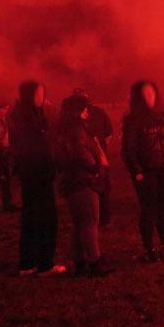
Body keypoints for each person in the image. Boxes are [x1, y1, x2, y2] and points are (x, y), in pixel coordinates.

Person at [122, 80, 164, 261]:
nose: (150, 96)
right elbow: (129, 149)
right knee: (148, 210)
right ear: (139, 97)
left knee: (163, 209)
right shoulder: (133, 120)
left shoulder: (162, 116)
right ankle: (149, 249)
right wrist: (137, 171)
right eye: (146, 93)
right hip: (147, 173)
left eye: (152, 92)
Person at [8, 81, 64, 276]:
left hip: (33, 173)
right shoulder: (24, 116)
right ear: (30, 95)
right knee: (45, 218)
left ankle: (28, 263)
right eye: (39, 93)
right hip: (36, 173)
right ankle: (44, 264)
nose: (42, 97)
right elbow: (34, 144)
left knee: (31, 218)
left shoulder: (25, 114)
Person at [56, 93, 111, 277]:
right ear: (78, 111)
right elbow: (80, 152)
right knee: (90, 222)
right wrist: (94, 167)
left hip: (74, 180)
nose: (88, 111)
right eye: (85, 108)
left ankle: (78, 260)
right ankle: (95, 261)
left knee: (80, 223)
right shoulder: (76, 129)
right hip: (82, 180)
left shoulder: (68, 128)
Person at [75, 88, 114, 225]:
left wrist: (99, 149)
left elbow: (109, 133)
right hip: (93, 158)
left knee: (96, 187)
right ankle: (102, 218)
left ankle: (101, 218)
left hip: (91, 159)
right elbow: (109, 134)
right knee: (99, 188)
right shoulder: (77, 117)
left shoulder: (94, 113)